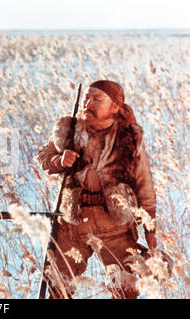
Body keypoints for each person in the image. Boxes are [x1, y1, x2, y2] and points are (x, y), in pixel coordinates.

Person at [37, 80, 156, 298]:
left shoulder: (129, 138)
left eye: (97, 99)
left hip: (116, 227)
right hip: (71, 226)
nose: (88, 103)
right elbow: (44, 156)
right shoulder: (69, 130)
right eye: (87, 98)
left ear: (115, 107)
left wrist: (150, 229)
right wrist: (59, 160)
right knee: (58, 289)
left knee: (125, 292)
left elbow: (144, 184)